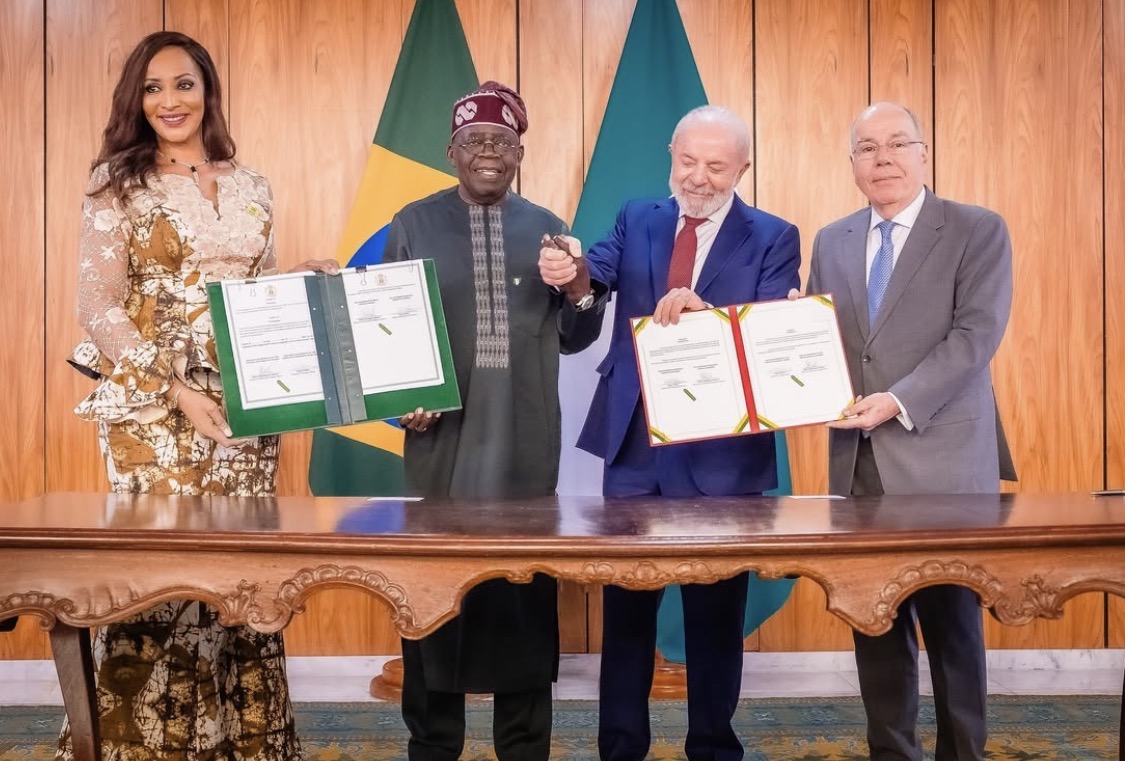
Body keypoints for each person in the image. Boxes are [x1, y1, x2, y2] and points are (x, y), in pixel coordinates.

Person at [64, 30, 335, 760]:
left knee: (238, 577)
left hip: (249, 408)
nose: (169, 101)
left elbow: (248, 298)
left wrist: (297, 279)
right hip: (155, 411)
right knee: (161, 578)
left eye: (183, 84)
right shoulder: (115, 183)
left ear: (207, 90)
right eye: (152, 88)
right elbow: (98, 306)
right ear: (136, 101)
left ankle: (241, 746)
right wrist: (177, 390)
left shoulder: (252, 184)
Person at [540, 104, 800, 761]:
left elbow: (772, 332)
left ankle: (713, 746)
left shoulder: (773, 235)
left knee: (715, 619)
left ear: (741, 168)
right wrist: (567, 270)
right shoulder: (637, 218)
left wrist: (707, 314)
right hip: (633, 445)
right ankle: (619, 748)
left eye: (715, 165)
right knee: (626, 616)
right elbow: (590, 281)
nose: (699, 176)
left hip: (723, 454)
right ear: (670, 156)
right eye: (688, 161)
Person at [381, 81, 605, 761]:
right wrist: (399, 400)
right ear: (451, 151)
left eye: (502, 143)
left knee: (521, 601)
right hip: (439, 451)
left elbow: (575, 334)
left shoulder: (546, 224)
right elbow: (384, 332)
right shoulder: (412, 223)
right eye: (474, 141)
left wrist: (578, 287)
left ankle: (523, 745)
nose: (487, 153)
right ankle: (433, 743)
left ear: (518, 153)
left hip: (522, 452)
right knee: (432, 599)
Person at [805, 101, 1014, 761]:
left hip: (944, 462)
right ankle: (890, 751)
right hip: (858, 464)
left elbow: (974, 335)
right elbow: (826, 343)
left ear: (923, 154)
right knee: (874, 622)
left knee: (953, 625)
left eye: (897, 144)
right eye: (866, 148)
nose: (883, 158)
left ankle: (962, 752)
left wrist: (896, 399)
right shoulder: (831, 239)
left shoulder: (975, 229)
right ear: (852, 165)